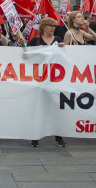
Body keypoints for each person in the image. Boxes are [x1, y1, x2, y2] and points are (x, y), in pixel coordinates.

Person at [28, 17, 67, 148]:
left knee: (55, 108)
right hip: (39, 79)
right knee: (39, 109)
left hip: (55, 79)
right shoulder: (35, 41)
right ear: (43, 26)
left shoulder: (58, 40)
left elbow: (65, 57)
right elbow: (26, 57)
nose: (53, 28)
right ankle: (35, 137)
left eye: (54, 26)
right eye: (50, 25)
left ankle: (58, 137)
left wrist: (63, 48)